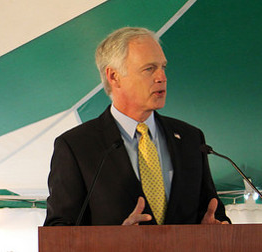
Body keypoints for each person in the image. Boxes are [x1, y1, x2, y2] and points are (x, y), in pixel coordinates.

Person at [44, 27, 230, 226]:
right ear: (114, 76)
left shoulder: (191, 138)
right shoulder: (77, 146)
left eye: (163, 67)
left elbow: (212, 212)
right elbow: (58, 232)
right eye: (149, 69)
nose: (162, 77)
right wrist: (116, 242)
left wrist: (218, 228)